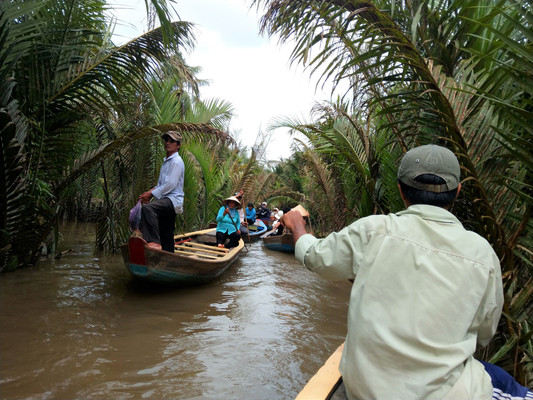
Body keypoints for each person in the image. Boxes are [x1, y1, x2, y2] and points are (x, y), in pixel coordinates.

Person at [282, 144, 532, 400]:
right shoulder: (483, 255)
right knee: (508, 385)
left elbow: (315, 257)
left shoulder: (372, 231)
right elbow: (483, 333)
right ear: (457, 192)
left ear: (401, 190)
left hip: (365, 391)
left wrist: (298, 227)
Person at [138, 131, 184, 252]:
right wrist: (148, 193)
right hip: (165, 200)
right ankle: (169, 257)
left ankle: (153, 241)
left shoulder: (176, 162)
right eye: (166, 140)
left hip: (172, 200)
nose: (167, 143)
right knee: (166, 233)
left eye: (171, 141)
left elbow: (171, 184)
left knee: (148, 209)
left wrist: (151, 194)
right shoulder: (167, 161)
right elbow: (161, 185)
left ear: (178, 145)